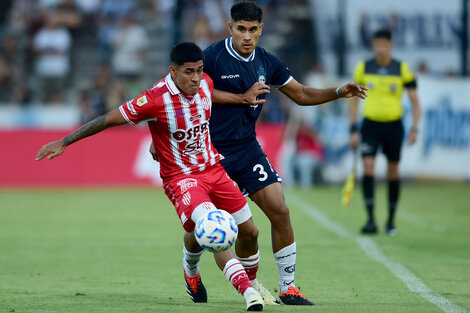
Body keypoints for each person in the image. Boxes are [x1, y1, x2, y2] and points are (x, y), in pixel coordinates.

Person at [35, 42, 266, 312]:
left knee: (249, 231)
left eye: (199, 71)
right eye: (189, 72)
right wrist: (65, 141)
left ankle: (190, 264)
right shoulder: (155, 99)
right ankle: (249, 293)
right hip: (181, 178)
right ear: (173, 71)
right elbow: (109, 119)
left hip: (214, 168)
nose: (195, 78)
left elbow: (208, 96)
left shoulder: (205, 83)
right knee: (213, 227)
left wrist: (161, 137)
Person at [202, 1, 367, 305]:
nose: (247, 36)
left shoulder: (268, 62)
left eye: (253, 30)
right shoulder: (211, 58)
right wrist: (240, 98)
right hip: (212, 153)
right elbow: (189, 91)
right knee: (224, 230)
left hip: (248, 149)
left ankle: (288, 288)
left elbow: (301, 94)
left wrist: (337, 92)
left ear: (261, 29)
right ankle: (192, 266)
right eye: (241, 29)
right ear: (230, 28)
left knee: (280, 209)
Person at [349, 28, 421, 236]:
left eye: (384, 45)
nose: (380, 49)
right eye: (377, 45)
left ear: (391, 46)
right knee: (369, 169)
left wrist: (415, 128)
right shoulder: (363, 67)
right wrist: (353, 128)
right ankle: (370, 219)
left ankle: (390, 221)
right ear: (373, 46)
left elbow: (416, 102)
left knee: (393, 172)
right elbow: (353, 99)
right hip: (370, 125)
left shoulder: (402, 69)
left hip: (393, 126)